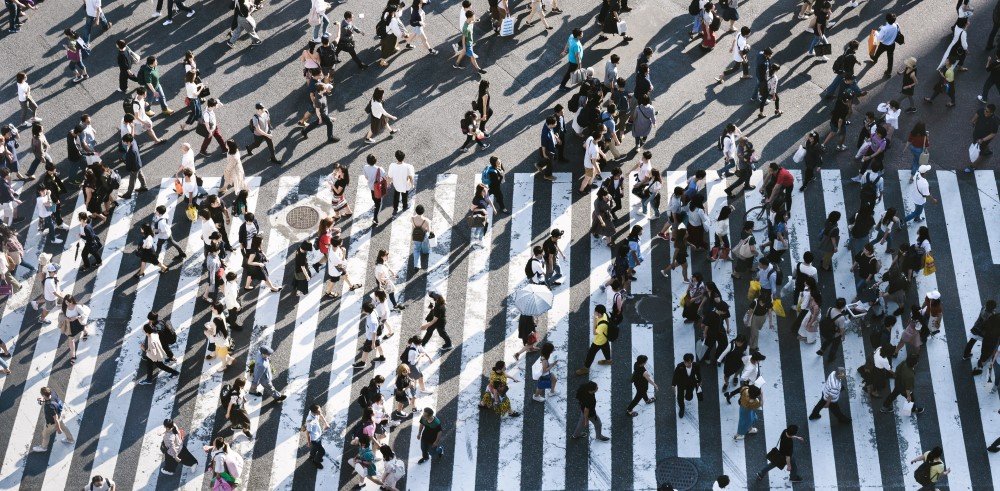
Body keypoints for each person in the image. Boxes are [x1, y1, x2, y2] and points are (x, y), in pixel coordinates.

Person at [30, 387, 73, 452]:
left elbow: (55, 419)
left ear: (44, 395)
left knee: (45, 434)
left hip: (51, 422)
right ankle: (70, 439)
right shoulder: (53, 393)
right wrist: (44, 399)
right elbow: (52, 399)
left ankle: (43, 447)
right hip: (59, 415)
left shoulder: (49, 407)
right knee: (64, 427)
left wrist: (58, 429)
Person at [575, 305, 612, 375]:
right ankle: (609, 360)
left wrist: (594, 320)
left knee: (591, 354)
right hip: (604, 338)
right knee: (605, 348)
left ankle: (586, 368)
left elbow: (594, 332)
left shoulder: (602, 325)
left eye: (596, 312)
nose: (594, 312)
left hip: (598, 341)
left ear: (599, 314)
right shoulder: (605, 315)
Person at [966, 103, 1000, 172]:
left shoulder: (994, 121)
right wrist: (973, 121)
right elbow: (977, 115)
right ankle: (986, 151)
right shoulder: (981, 111)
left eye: (987, 111)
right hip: (976, 135)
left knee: (978, 152)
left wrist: (982, 140)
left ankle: (973, 166)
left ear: (991, 113)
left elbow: (993, 134)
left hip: (983, 139)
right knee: (982, 148)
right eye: (985, 109)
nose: (985, 111)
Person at [453, 10, 487, 74]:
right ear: (469, 17)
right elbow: (463, 38)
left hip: (470, 42)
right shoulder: (466, 28)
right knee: (472, 56)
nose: (474, 16)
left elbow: (471, 22)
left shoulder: (469, 21)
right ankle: (478, 69)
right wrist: (464, 47)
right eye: (473, 16)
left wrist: (475, 21)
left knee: (463, 53)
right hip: (468, 44)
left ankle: (456, 64)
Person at [868, 13, 900, 78]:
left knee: (878, 53)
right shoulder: (896, 25)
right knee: (890, 58)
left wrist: (875, 32)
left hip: (884, 44)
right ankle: (889, 72)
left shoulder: (884, 28)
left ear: (887, 20)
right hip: (892, 44)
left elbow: (879, 37)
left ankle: (875, 60)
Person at [671, 352, 702, 419]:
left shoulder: (696, 366)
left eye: (687, 362)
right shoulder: (680, 366)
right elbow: (675, 376)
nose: (686, 364)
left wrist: (699, 381)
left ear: (691, 361)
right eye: (685, 362)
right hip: (681, 384)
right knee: (680, 397)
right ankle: (682, 409)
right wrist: (673, 385)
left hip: (691, 383)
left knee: (689, 397)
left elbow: (698, 374)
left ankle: (687, 395)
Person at [387, 149, 414, 214]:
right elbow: (410, 176)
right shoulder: (408, 166)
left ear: (396, 157)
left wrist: (388, 183)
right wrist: (412, 184)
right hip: (405, 186)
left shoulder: (392, 165)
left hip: (396, 185)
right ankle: (404, 206)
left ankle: (395, 207)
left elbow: (389, 176)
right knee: (405, 197)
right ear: (403, 157)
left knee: (396, 196)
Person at [303, 403, 330, 468]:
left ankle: (312, 456)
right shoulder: (310, 422)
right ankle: (316, 461)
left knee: (315, 448)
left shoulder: (314, 412)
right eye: (319, 411)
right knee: (322, 452)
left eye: (319, 409)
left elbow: (321, 415)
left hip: (318, 435)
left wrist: (326, 423)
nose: (320, 412)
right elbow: (308, 433)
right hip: (314, 439)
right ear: (314, 412)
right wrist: (309, 443)